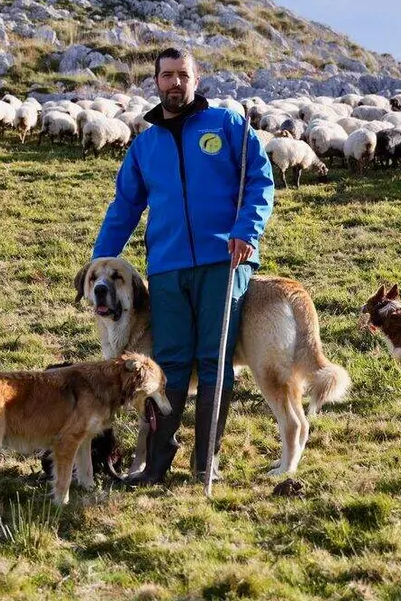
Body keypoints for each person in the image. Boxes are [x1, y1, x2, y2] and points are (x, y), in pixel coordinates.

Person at [91, 47, 275, 485]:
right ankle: (156, 465)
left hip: (223, 261)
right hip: (168, 269)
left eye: (183, 75)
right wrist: (98, 262)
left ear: (196, 79)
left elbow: (259, 180)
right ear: (156, 81)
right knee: (168, 365)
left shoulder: (227, 125)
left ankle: (205, 462)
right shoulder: (145, 145)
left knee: (214, 361)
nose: (175, 82)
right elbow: (125, 206)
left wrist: (246, 230)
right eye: (167, 75)